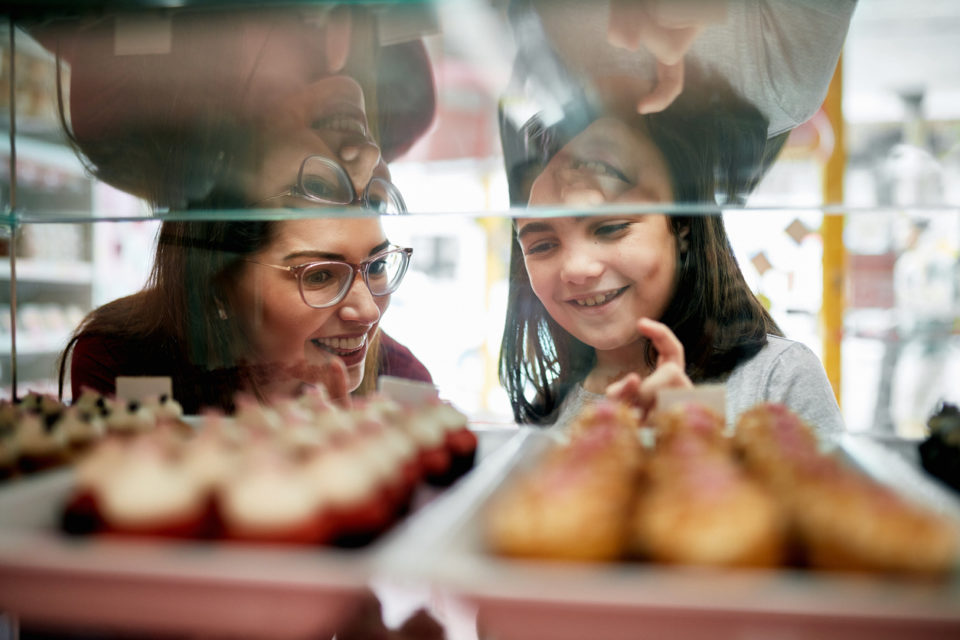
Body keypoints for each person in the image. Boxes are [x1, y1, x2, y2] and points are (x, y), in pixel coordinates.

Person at [50, 7, 436, 412]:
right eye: (320, 275)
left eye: (377, 266)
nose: (368, 309)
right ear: (218, 281)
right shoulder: (124, 359)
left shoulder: (402, 380)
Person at [498, 66, 844, 434]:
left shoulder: (777, 380)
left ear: (683, 225)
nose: (577, 268)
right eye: (543, 245)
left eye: (611, 228)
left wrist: (690, 435)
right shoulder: (550, 408)